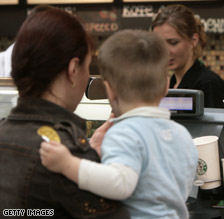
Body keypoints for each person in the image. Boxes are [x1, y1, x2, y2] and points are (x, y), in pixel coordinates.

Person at [39, 29, 198, 219]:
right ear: (166, 86)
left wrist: (68, 164)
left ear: (110, 90)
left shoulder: (124, 132)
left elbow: (120, 183)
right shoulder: (182, 134)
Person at [0, 6, 129, 218]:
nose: (88, 76)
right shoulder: (66, 153)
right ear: (73, 69)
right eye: (88, 66)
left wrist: (90, 153)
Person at [151, 4, 224, 108]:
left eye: (173, 42)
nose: (165, 52)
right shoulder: (172, 83)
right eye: (160, 43)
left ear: (194, 40)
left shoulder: (208, 84)